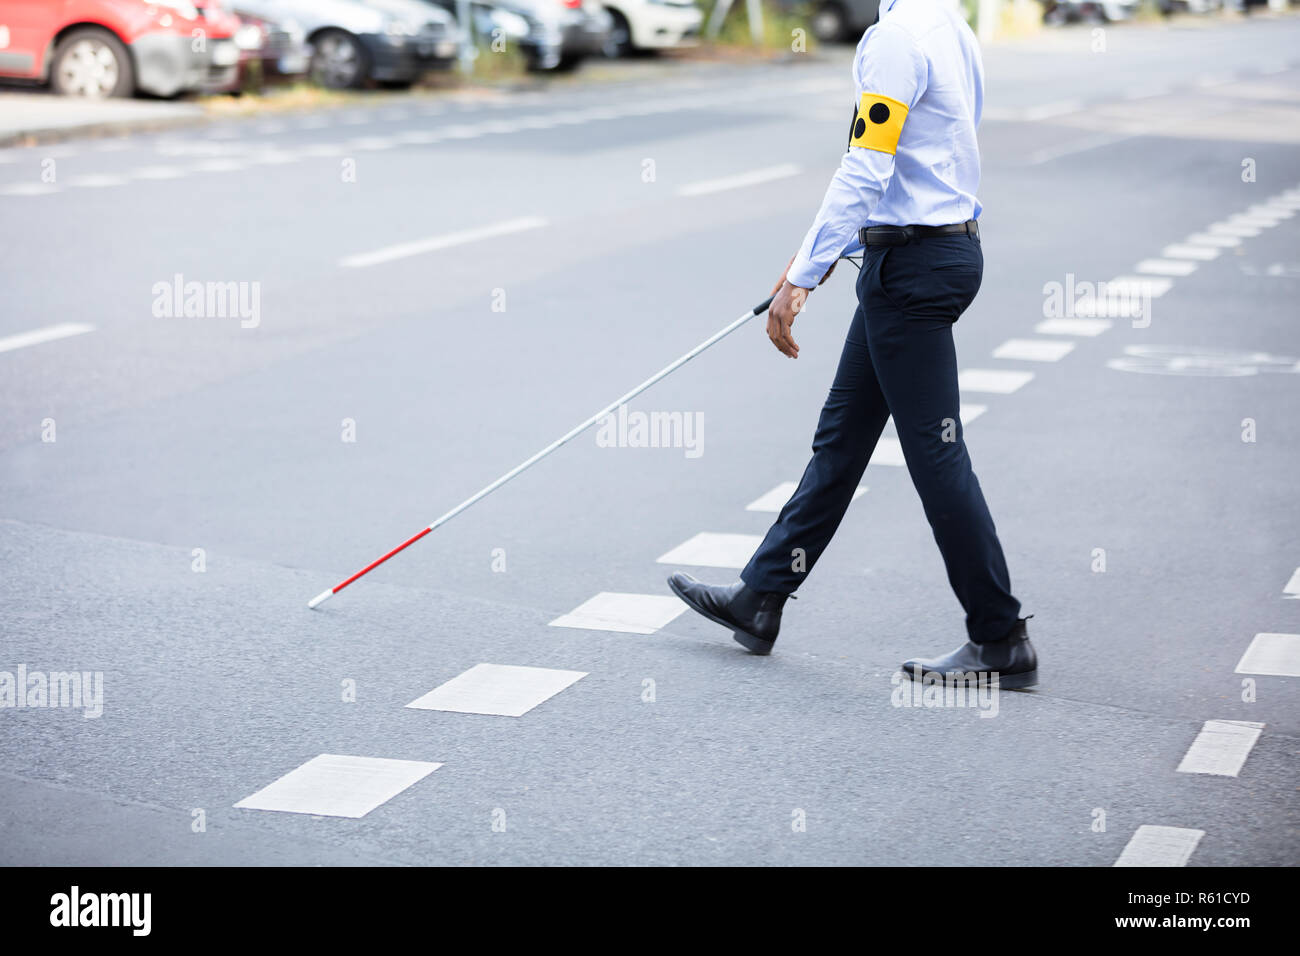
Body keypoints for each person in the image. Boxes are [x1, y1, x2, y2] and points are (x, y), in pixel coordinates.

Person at [667, 0, 1037, 688]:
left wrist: (803, 277)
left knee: (936, 454)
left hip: (912, 267)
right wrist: (817, 259)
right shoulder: (951, 26)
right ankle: (762, 598)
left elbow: (867, 167)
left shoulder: (895, 39)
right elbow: (919, 160)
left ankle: (1000, 637)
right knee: (841, 439)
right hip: (931, 253)